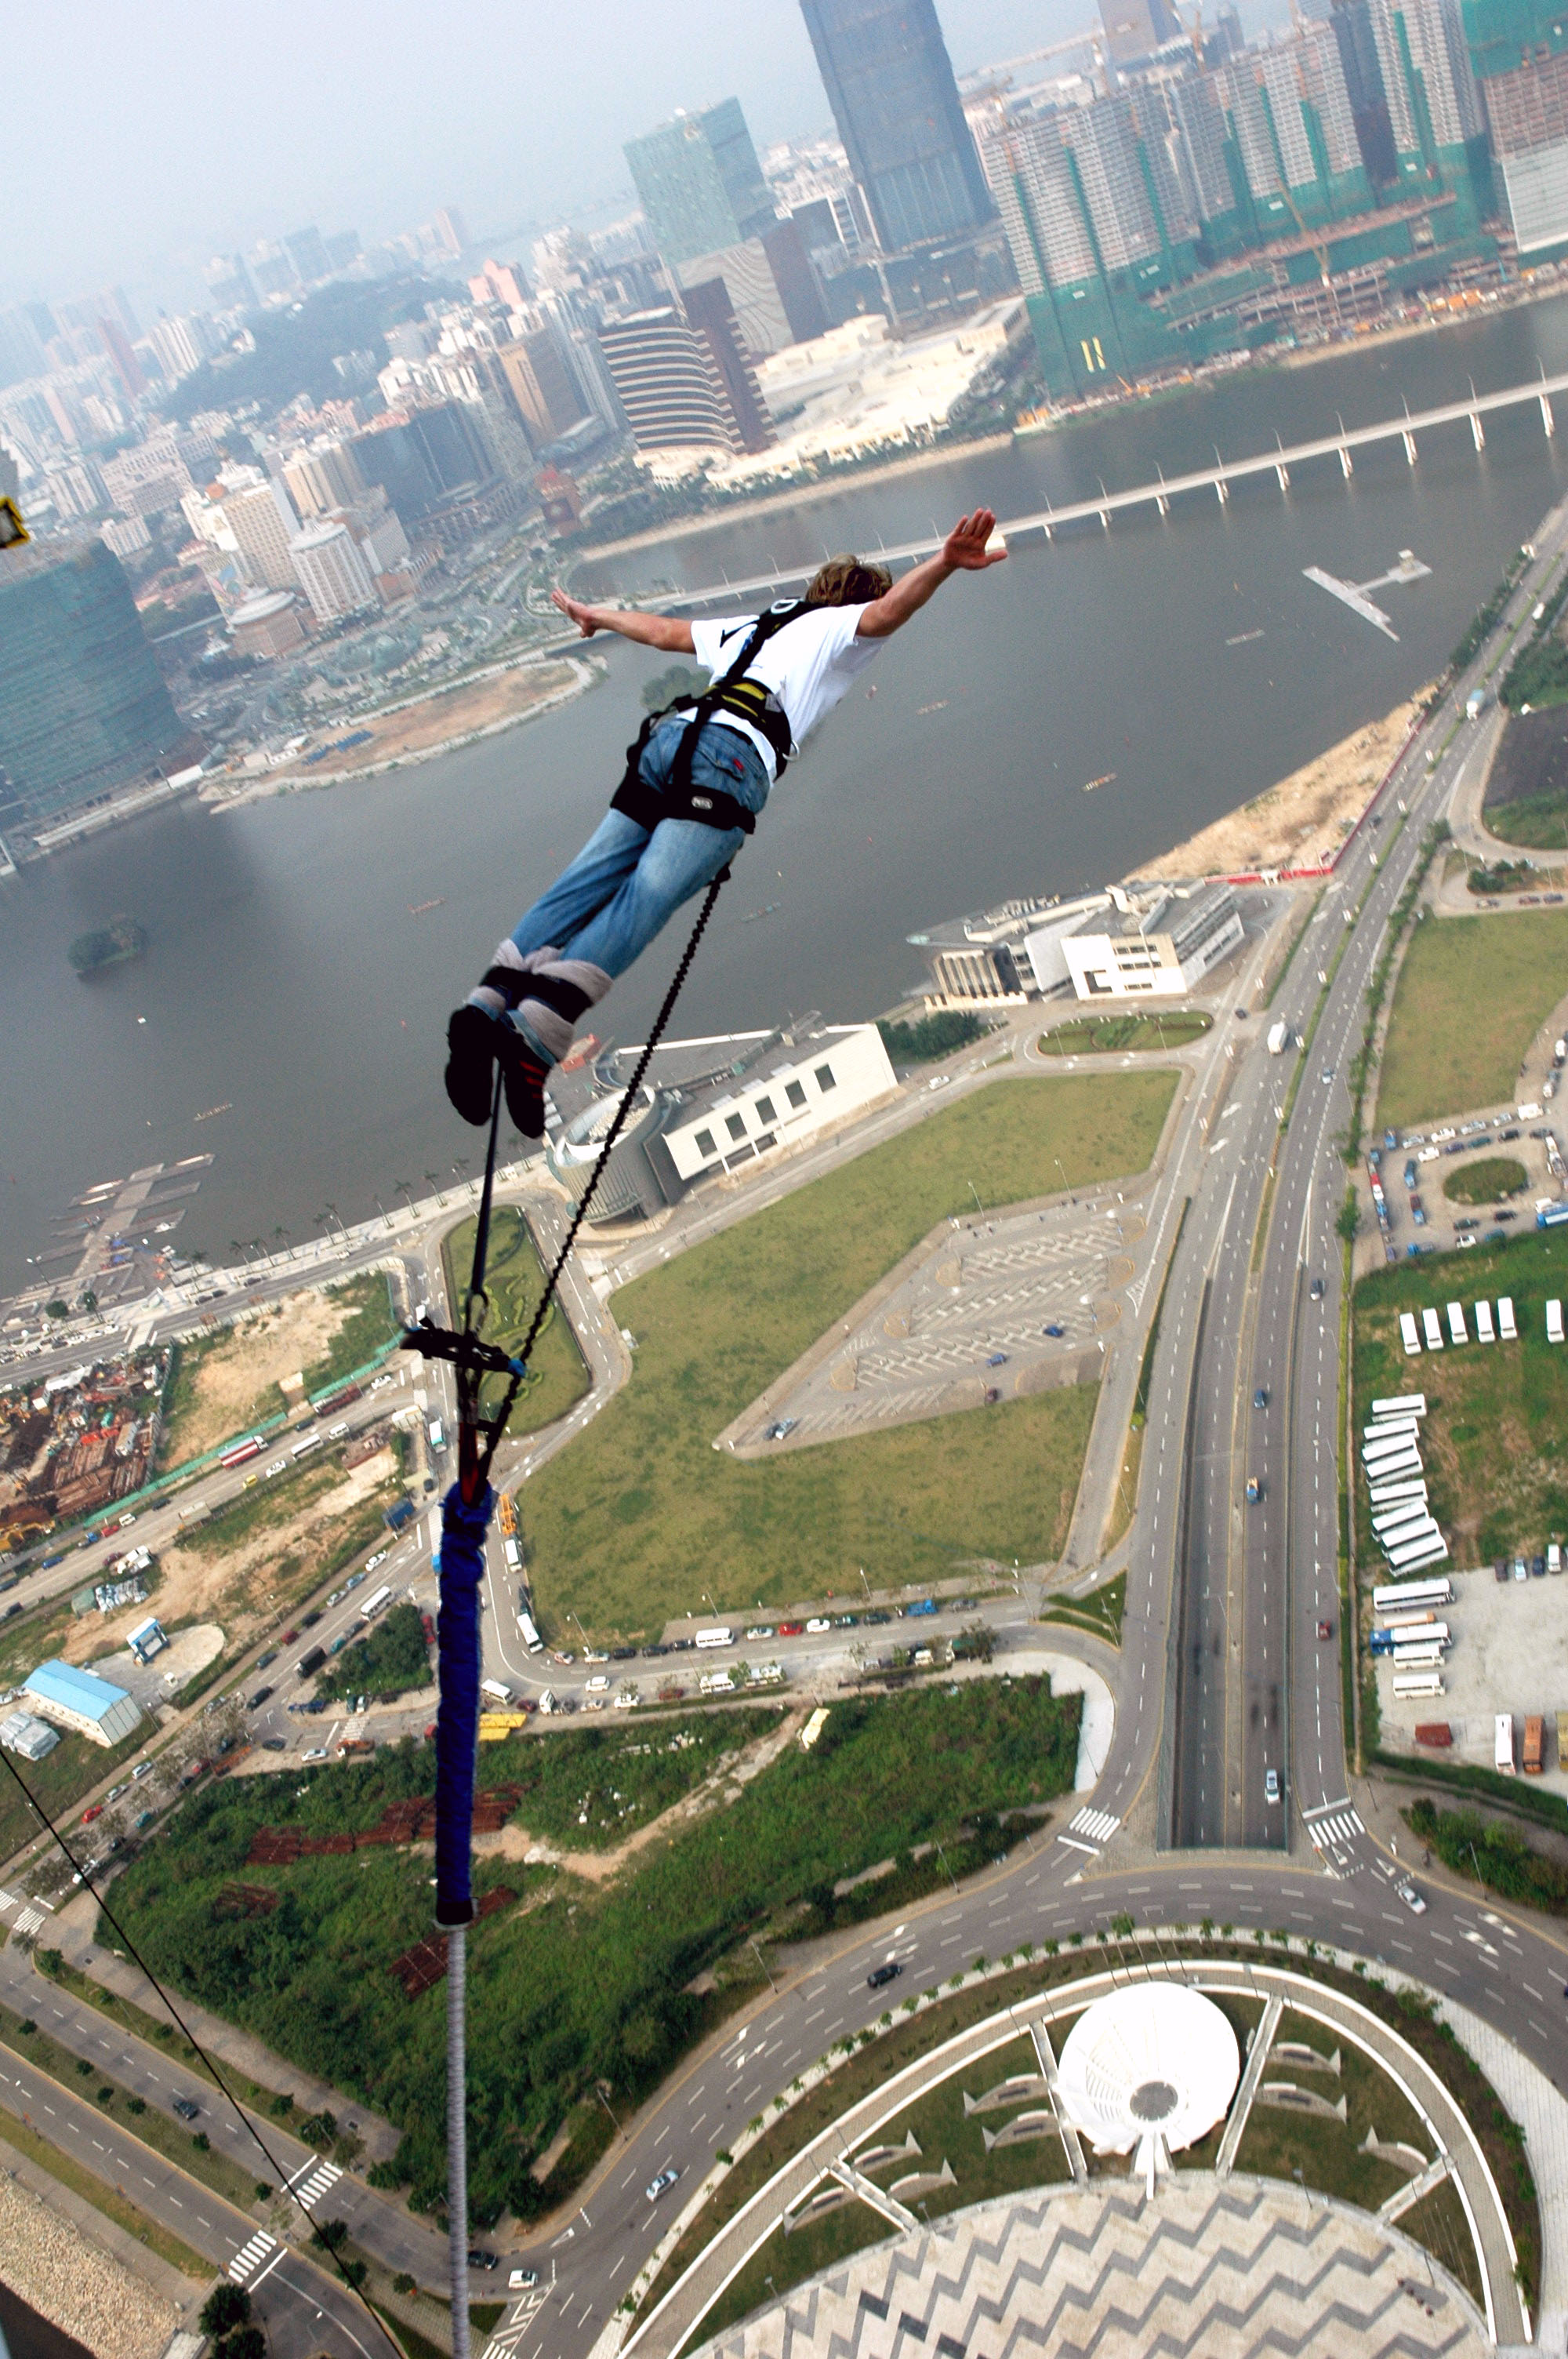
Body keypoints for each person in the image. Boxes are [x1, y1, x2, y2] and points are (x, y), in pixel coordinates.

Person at [445, 509, 1007, 1136]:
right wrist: (944, 564)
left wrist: (597, 616)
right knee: (646, 896)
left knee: (586, 879)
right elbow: (888, 613)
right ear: (855, 600)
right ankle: (538, 1031)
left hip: (671, 739)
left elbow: (664, 632)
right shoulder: (841, 627)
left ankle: (484, 1007)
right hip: (729, 761)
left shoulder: (760, 624)